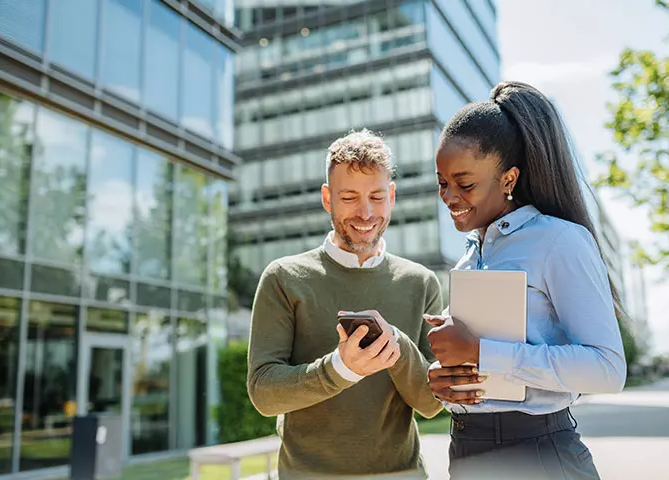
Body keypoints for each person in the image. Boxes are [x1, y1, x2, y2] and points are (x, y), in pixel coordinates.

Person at [425, 81, 627, 479]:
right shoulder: (470, 257)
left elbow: (607, 368)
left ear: (509, 178)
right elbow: (482, 368)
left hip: (538, 453)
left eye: (464, 184)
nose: (449, 197)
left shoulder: (559, 240)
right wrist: (445, 381)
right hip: (467, 452)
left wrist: (481, 350)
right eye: (443, 183)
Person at [246, 129, 444, 479]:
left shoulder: (421, 282)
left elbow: (430, 403)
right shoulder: (283, 278)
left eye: (377, 197)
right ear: (327, 198)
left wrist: (394, 344)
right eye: (349, 197)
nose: (365, 213)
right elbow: (263, 393)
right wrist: (341, 368)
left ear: (392, 196)